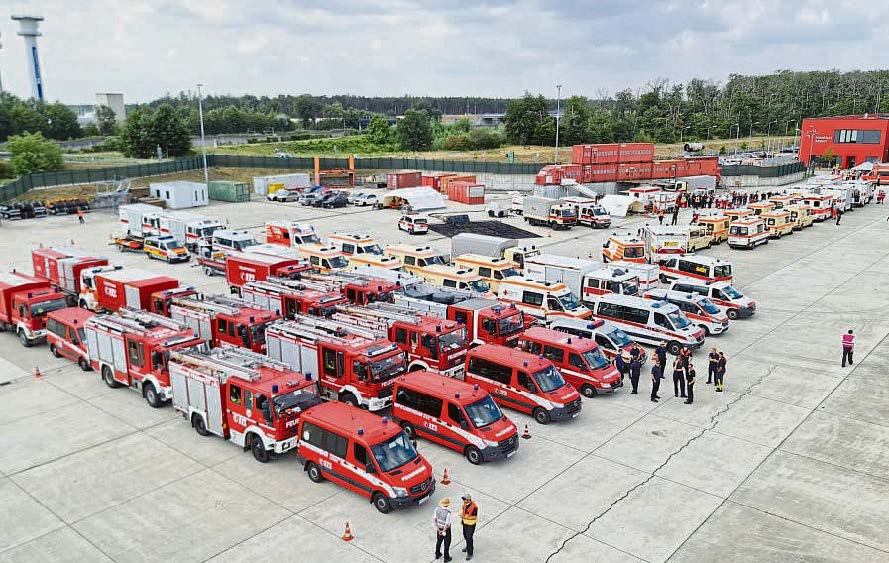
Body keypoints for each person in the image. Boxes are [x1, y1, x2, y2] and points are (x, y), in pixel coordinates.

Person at [434, 498, 453, 562]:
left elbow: (435, 520)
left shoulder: (437, 509)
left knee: (439, 541)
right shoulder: (448, 513)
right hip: (446, 530)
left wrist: (439, 530)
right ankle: (446, 558)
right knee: (447, 543)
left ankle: (437, 554)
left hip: (439, 528)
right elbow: (447, 524)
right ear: (447, 505)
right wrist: (443, 531)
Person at [460, 493, 478, 560]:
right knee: (465, 535)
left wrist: (465, 518)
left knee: (469, 537)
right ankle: (468, 546)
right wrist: (462, 520)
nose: (463, 500)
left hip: (471, 524)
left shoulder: (474, 507)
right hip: (465, 523)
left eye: (464, 499)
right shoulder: (465, 504)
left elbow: (474, 517)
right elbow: (463, 511)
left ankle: (470, 553)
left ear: (468, 499)